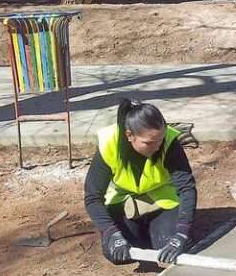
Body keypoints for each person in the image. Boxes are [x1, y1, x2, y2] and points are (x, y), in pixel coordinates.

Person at [84, 99, 197, 265]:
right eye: (149, 143)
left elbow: (187, 188)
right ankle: (143, 232)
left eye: (160, 140)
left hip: (162, 202)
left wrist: (181, 234)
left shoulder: (169, 141)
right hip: (124, 203)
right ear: (129, 135)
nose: (158, 147)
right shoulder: (109, 144)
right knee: (116, 253)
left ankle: (157, 230)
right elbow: (93, 197)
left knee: (171, 249)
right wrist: (112, 233)